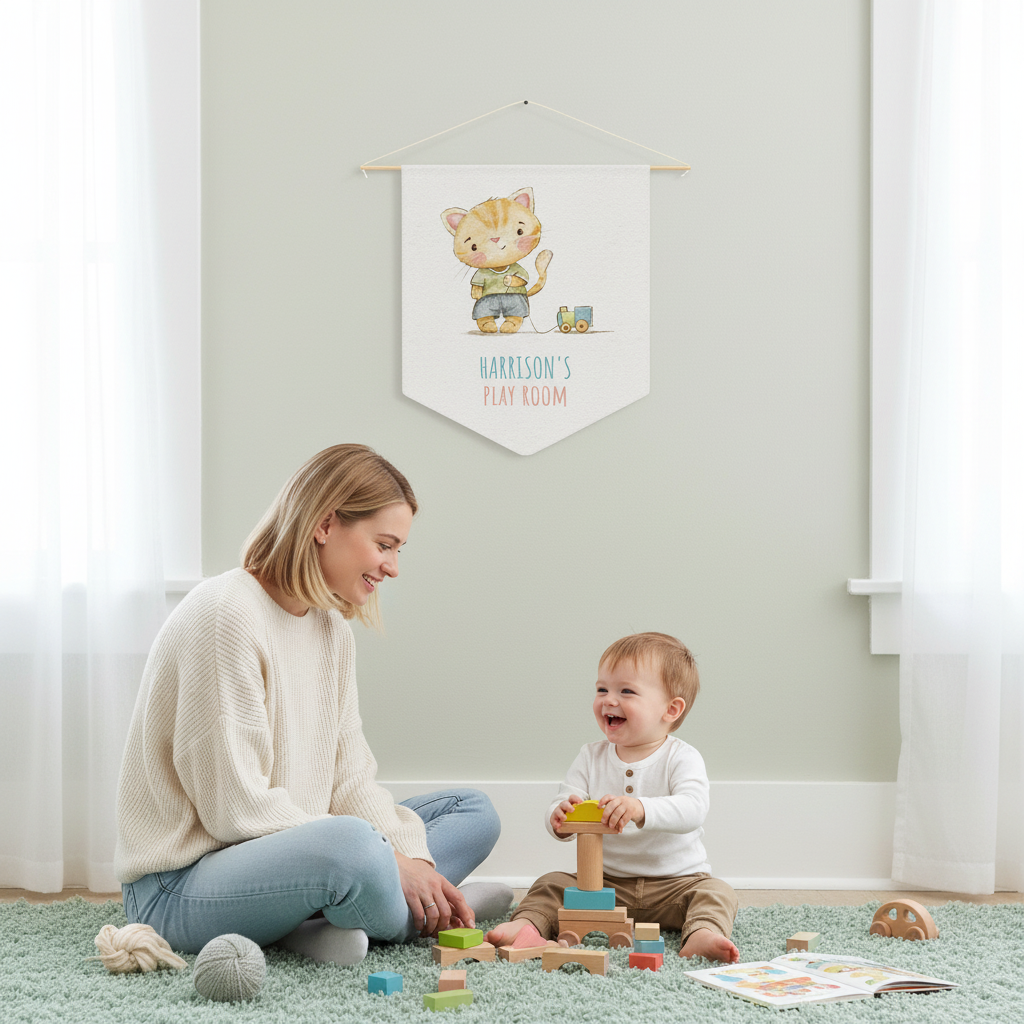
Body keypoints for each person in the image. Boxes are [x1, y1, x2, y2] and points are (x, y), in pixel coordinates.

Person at [114, 444, 510, 965]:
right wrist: (391, 861)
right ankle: (421, 917)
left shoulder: (330, 629)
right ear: (325, 524)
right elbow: (236, 808)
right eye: (384, 544)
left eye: (399, 550)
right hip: (181, 886)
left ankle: (326, 920)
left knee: (473, 813)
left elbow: (350, 779)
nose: (392, 567)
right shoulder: (225, 615)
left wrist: (411, 857)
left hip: (293, 852)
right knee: (353, 846)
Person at [485, 632, 739, 962]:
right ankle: (527, 925)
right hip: (603, 886)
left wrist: (639, 808)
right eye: (602, 689)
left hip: (676, 885)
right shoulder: (590, 756)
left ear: (671, 709)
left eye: (626, 691)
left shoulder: (682, 757)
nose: (608, 699)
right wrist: (560, 816)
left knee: (718, 892)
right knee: (550, 884)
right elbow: (566, 801)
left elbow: (693, 809)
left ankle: (702, 933)